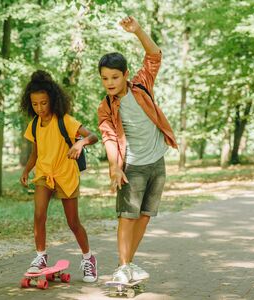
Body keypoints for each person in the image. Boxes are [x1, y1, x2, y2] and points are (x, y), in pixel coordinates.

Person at [97, 16, 178, 283]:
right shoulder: (106, 108)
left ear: (126, 75)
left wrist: (138, 31)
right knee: (127, 217)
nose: (109, 82)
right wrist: (115, 166)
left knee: (145, 216)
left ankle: (127, 265)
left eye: (114, 77)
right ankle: (123, 266)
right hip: (132, 167)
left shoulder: (142, 85)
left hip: (157, 162)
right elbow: (109, 137)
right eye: (105, 78)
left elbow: (154, 55)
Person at [20, 70, 99, 283]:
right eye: (35, 104)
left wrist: (80, 143)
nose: (39, 108)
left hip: (65, 174)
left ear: (52, 100)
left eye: (43, 103)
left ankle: (88, 258)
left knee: (73, 222)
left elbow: (93, 136)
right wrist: (27, 169)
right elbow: (36, 152)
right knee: (38, 215)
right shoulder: (35, 124)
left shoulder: (65, 120)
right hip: (44, 174)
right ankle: (40, 257)